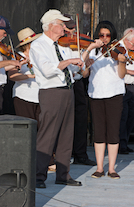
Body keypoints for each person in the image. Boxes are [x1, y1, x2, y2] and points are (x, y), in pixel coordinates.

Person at [29, 9, 102, 188]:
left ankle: (63, 174)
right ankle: (38, 177)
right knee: (48, 135)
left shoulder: (63, 46)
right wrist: (69, 62)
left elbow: (77, 71)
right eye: (62, 25)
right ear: (51, 25)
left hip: (68, 90)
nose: (65, 28)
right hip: (51, 92)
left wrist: (87, 52)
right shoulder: (39, 45)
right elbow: (48, 70)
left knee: (66, 135)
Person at [83, 20, 127, 179]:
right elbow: (84, 75)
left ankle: (112, 169)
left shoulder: (120, 51)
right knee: (99, 132)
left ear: (112, 35)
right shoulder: (93, 51)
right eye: (101, 35)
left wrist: (121, 62)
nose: (105, 38)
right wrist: (87, 65)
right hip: (96, 94)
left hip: (114, 94)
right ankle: (100, 167)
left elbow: (121, 75)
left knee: (113, 132)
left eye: (108, 35)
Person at [63, 14, 96, 166]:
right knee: (64, 121)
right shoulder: (58, 45)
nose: (71, 30)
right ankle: (62, 155)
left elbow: (84, 73)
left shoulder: (78, 45)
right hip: (62, 84)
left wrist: (86, 66)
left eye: (72, 27)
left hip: (77, 84)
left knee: (81, 119)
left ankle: (80, 154)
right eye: (68, 27)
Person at [8, 27, 41, 128]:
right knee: (26, 128)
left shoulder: (40, 55)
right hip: (24, 96)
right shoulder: (18, 57)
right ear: (29, 44)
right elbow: (12, 76)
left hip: (40, 96)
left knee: (41, 128)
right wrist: (30, 76)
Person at [0, 15, 24, 115]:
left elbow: (1, 68)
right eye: (4, 33)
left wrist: (20, 63)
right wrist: (10, 61)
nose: (5, 36)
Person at [119, 28, 134, 154]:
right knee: (123, 116)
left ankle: (126, 141)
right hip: (124, 85)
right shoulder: (119, 49)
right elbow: (117, 67)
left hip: (132, 86)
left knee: (131, 116)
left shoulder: (131, 50)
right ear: (126, 40)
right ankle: (120, 144)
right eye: (133, 44)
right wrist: (131, 72)